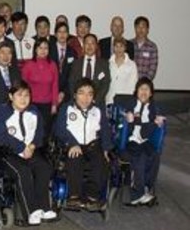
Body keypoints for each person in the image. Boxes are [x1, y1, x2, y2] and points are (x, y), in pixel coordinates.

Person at [0, 81, 57, 226]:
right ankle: (31, 211)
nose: (23, 99)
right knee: (23, 172)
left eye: (26, 95)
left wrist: (32, 145)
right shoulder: (2, 112)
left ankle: (44, 207)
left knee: (44, 167)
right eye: (19, 95)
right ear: (10, 96)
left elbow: (40, 133)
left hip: (30, 150)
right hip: (7, 153)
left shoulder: (33, 111)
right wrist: (21, 147)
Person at [54, 79, 113, 212]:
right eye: (82, 93)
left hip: (92, 145)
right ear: (75, 95)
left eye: (89, 94)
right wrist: (72, 143)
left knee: (101, 162)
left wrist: (106, 149)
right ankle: (74, 196)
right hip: (73, 144)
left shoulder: (97, 111)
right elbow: (60, 129)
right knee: (75, 159)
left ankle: (92, 196)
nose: (85, 98)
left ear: (93, 97)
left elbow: (105, 130)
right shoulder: (67, 108)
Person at [123, 78, 166, 206]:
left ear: (151, 93)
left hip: (145, 140)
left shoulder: (153, 108)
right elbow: (124, 121)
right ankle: (137, 193)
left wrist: (157, 123)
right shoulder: (129, 105)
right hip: (130, 140)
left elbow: (150, 130)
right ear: (136, 91)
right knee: (140, 155)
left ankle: (146, 187)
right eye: (141, 89)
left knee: (154, 155)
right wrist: (127, 119)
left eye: (147, 89)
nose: (144, 92)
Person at [21, 38, 59, 139]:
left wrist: (54, 104)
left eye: (45, 48)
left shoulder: (53, 65)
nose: (43, 50)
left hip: (47, 104)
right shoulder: (28, 65)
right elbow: (23, 87)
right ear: (35, 49)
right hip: (31, 104)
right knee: (31, 130)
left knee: (45, 131)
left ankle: (44, 153)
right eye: (40, 47)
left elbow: (55, 85)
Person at [68, 34, 110, 105]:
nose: (89, 46)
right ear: (83, 46)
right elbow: (71, 83)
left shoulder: (104, 63)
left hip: (97, 103)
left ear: (96, 46)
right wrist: (77, 99)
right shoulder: (76, 63)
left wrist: (94, 100)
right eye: (87, 43)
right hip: (78, 103)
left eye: (92, 43)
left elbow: (105, 84)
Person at [107, 39, 138, 106]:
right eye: (116, 46)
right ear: (113, 48)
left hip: (125, 99)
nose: (119, 49)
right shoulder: (108, 63)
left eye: (121, 46)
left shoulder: (132, 64)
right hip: (109, 99)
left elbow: (133, 84)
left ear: (125, 48)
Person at [132, 16, 158, 81]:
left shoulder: (152, 47)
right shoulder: (129, 44)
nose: (140, 30)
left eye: (143, 27)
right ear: (135, 29)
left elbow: (152, 69)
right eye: (138, 27)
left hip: (144, 85)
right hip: (129, 84)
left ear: (147, 29)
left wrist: (143, 83)